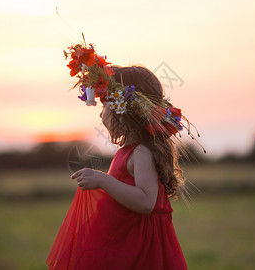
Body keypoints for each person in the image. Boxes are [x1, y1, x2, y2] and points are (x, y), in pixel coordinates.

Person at [46, 43, 204, 270]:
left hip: (142, 251)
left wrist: (103, 180)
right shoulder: (129, 151)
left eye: (105, 105)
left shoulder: (142, 152)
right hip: (128, 242)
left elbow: (146, 201)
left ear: (123, 111)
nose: (101, 113)